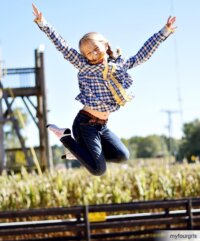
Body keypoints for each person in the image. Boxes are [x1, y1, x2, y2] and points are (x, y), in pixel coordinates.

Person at [32, 3, 177, 176]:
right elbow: (62, 46)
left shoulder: (119, 65)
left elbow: (142, 54)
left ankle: (79, 152)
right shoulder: (83, 65)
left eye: (95, 49)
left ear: (106, 45)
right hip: (85, 123)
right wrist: (43, 24)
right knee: (98, 170)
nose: (92, 54)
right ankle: (64, 136)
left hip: (102, 126)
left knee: (122, 155)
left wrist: (164, 32)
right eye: (88, 53)